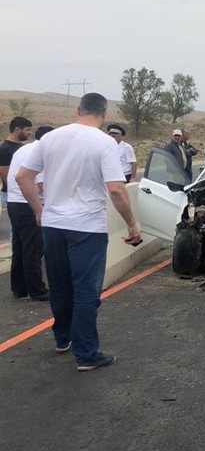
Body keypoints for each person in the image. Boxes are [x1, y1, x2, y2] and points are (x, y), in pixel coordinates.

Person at [16, 93, 142, 371]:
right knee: (86, 291)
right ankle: (86, 353)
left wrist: (39, 210)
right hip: (86, 227)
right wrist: (132, 222)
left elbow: (22, 176)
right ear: (104, 114)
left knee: (60, 286)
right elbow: (116, 188)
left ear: (78, 109)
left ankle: (63, 339)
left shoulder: (50, 138)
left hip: (53, 225)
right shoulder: (104, 142)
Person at [7, 125, 53, 301]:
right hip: (29, 204)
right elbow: (42, 185)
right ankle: (37, 289)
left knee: (20, 247)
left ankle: (19, 287)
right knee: (33, 248)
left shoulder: (25, 148)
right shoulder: (40, 152)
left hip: (15, 203)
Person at [1, 116, 33, 203]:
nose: (30, 132)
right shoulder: (5, 149)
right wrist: (16, 192)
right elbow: (5, 174)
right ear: (17, 129)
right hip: (13, 194)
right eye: (27, 130)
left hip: (21, 191)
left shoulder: (21, 147)